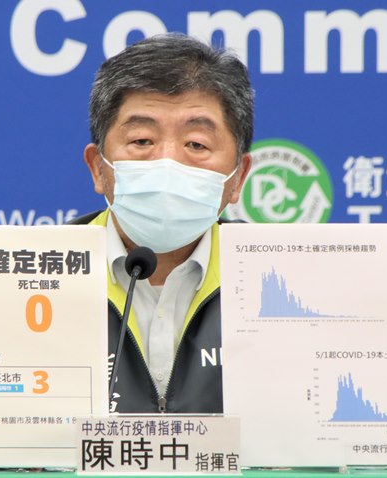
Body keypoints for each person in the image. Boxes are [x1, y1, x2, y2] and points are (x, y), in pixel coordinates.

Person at [73, 33, 254, 413]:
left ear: (238, 177)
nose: (167, 162)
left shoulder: (280, 271)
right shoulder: (34, 271)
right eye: (142, 141)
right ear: (97, 168)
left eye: (196, 144)